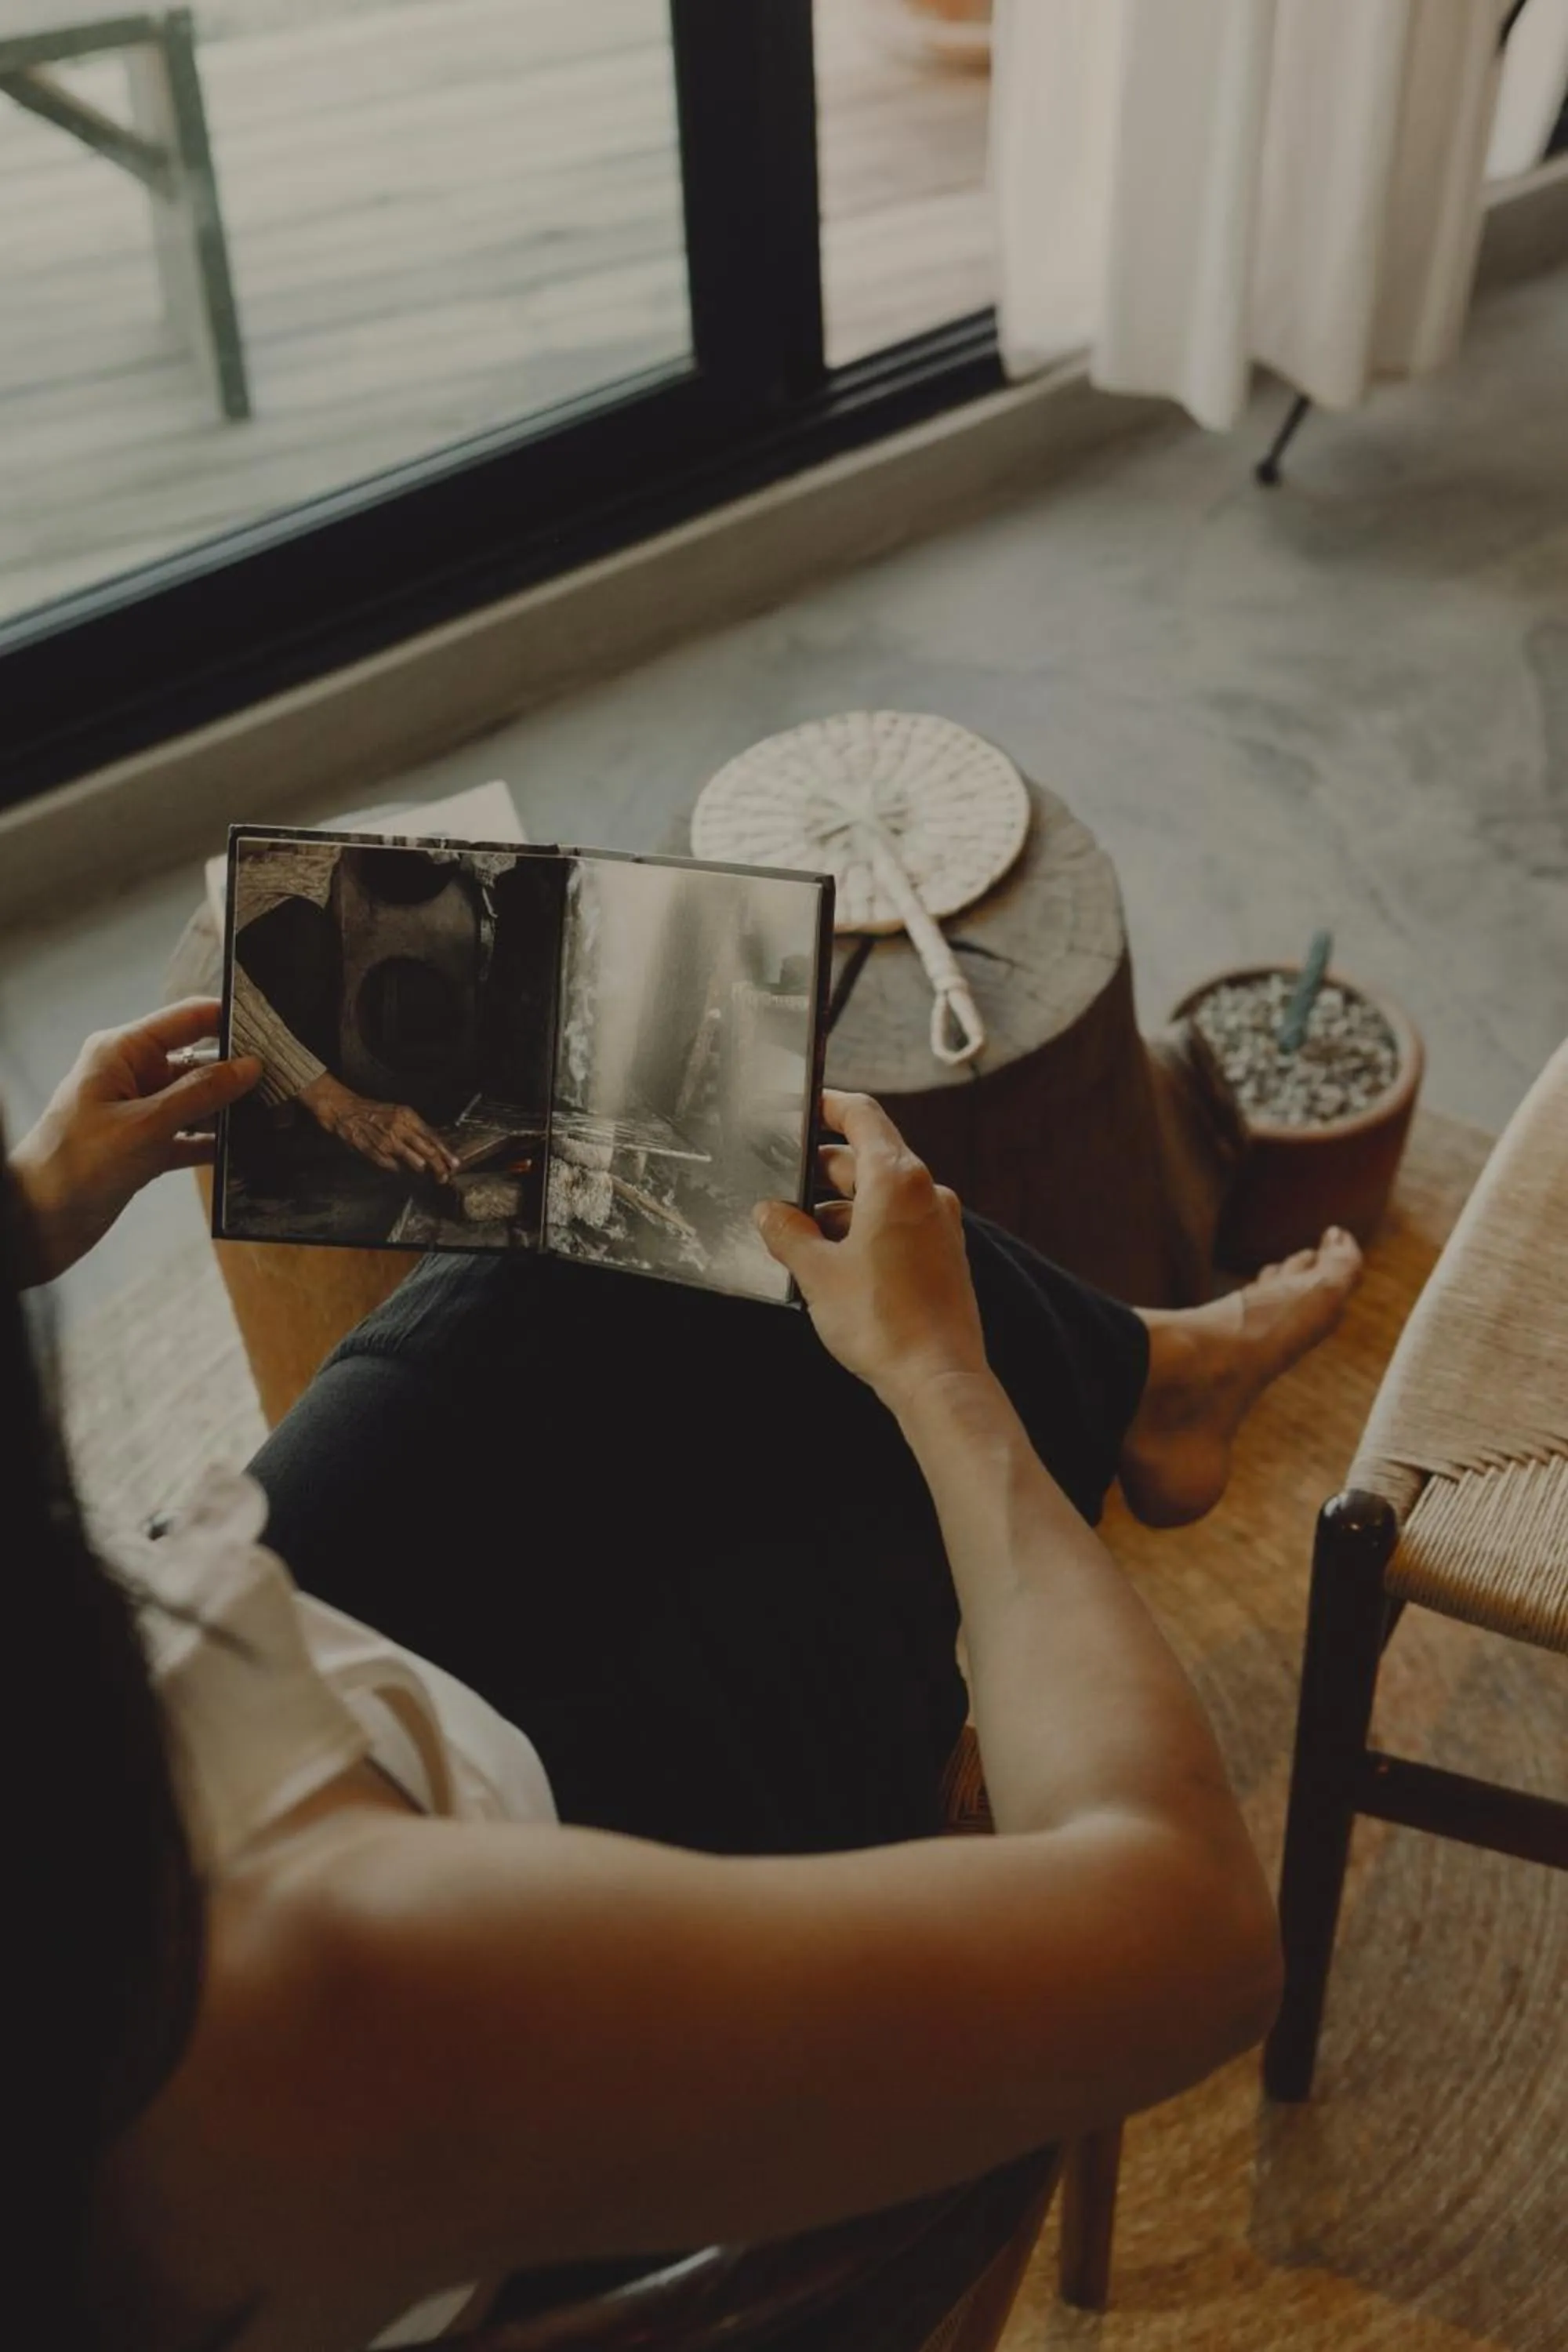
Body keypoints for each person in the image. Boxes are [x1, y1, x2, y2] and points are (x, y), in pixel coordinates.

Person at [9, 1000, 1364, 2352]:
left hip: (226, 1702)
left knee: (609, 1232)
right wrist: (946, 1382)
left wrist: (29, 1207)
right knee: (804, 1397)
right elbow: (1195, 1937)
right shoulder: (286, 1995)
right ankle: (1140, 1382)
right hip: (391, 1889)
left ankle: (1146, 1377)